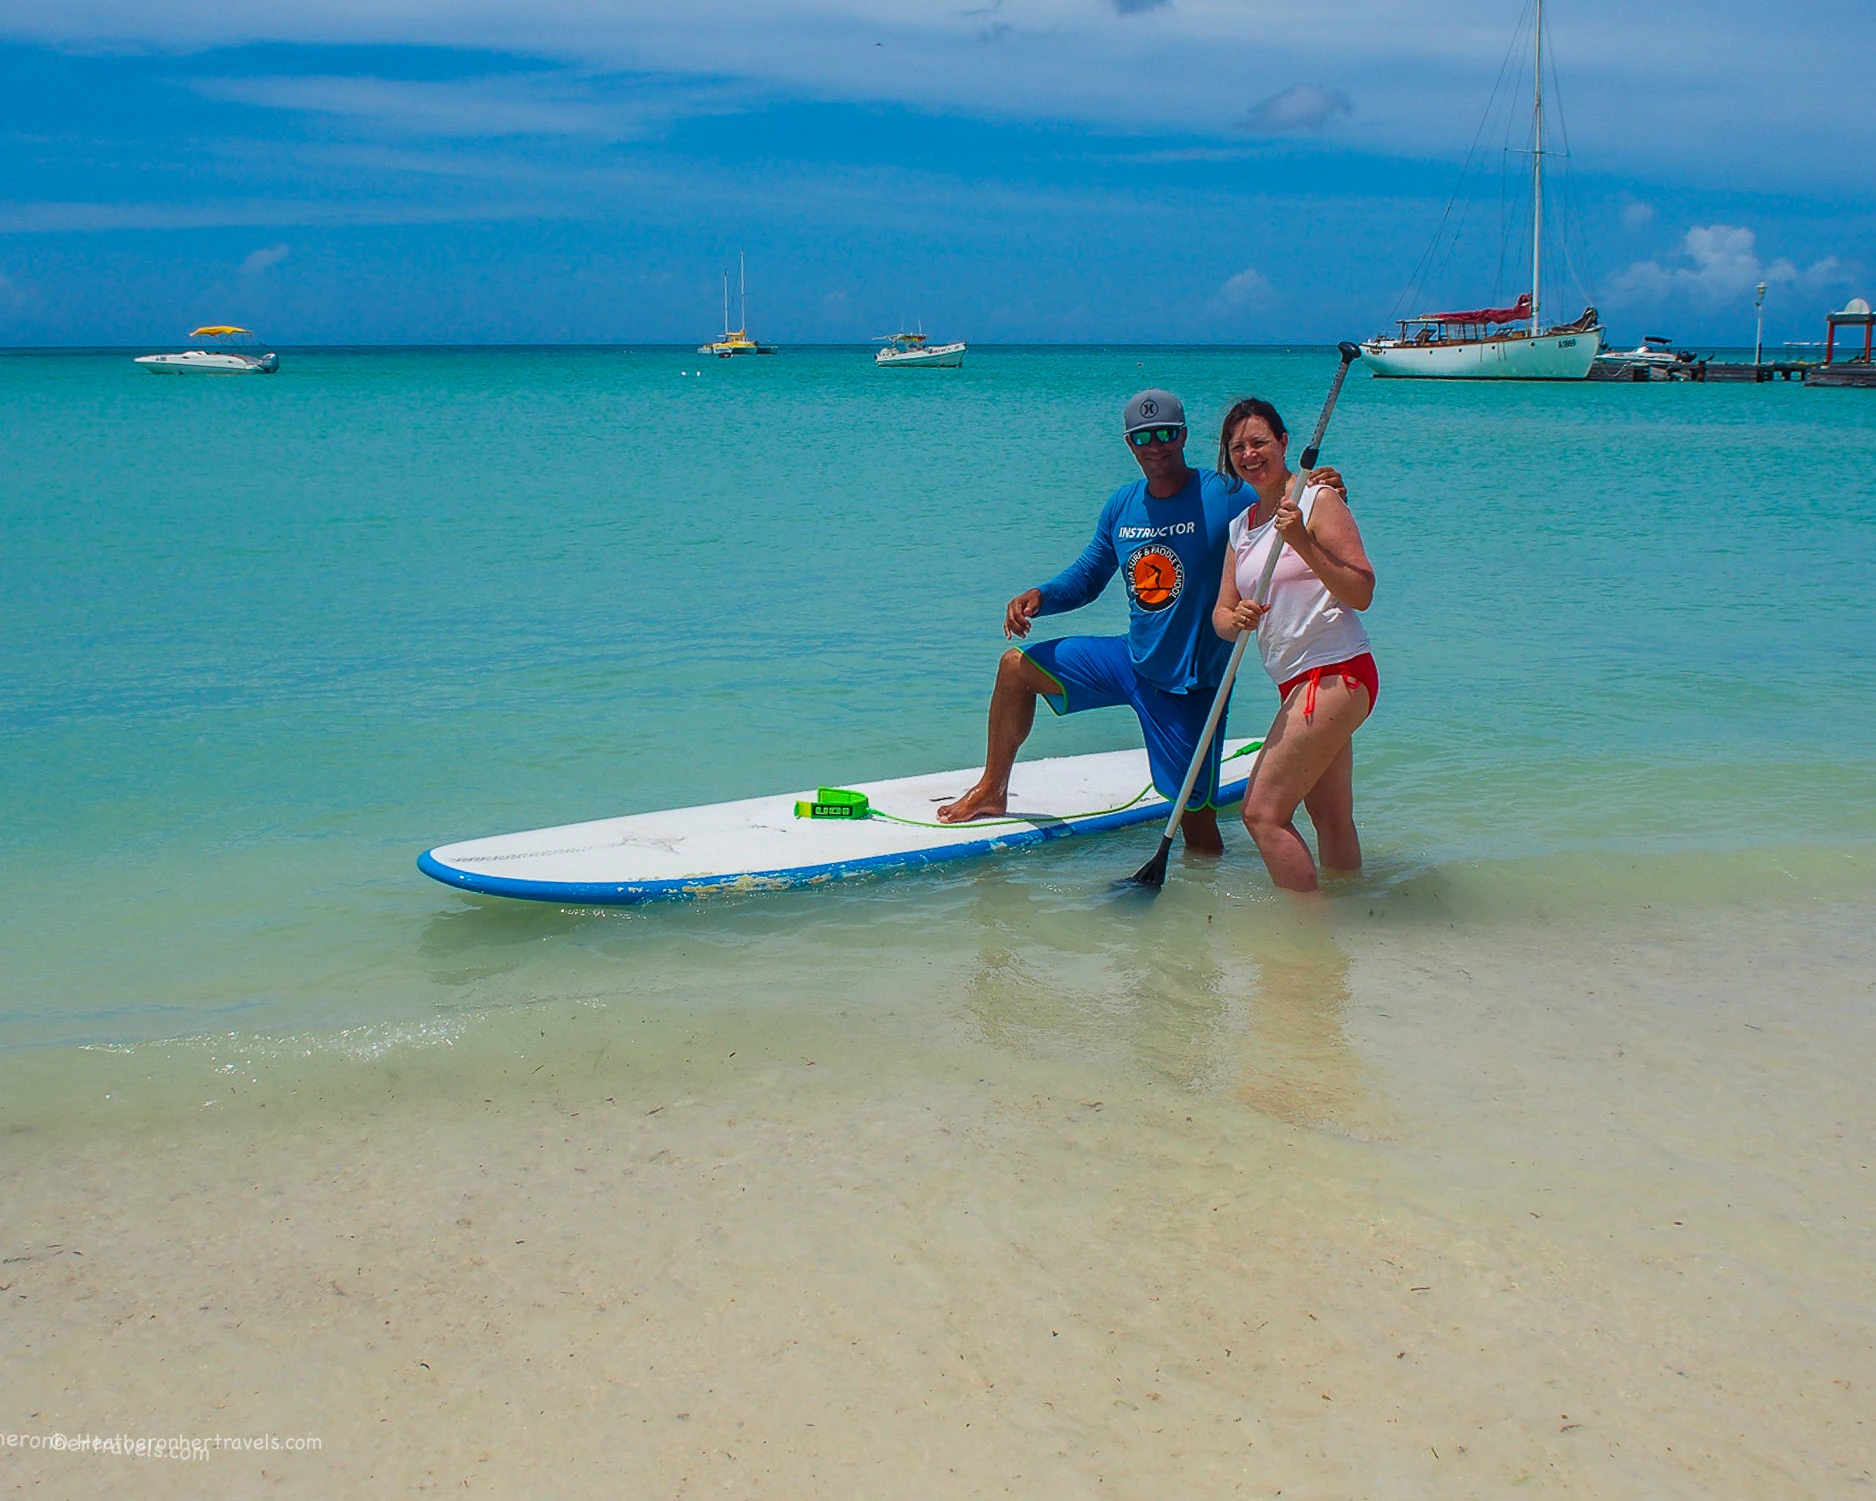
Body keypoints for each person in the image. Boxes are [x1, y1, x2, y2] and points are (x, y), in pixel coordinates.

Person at [938, 389, 1341, 855]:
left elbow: (1281, 490)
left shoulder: (1224, 494)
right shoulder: (1121, 506)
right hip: (1129, 661)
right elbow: (1089, 576)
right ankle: (992, 788)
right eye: (1143, 436)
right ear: (1130, 444)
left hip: (1189, 687)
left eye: (1166, 434)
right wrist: (1040, 597)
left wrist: (1320, 485)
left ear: (1183, 436)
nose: (1156, 445)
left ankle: (1202, 909)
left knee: (1197, 828)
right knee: (1015, 669)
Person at [1211, 396, 1378, 892]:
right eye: (1237, 446)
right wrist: (1235, 617)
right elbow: (1221, 616)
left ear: (1284, 444)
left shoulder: (1318, 501)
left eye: (1260, 442)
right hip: (1295, 682)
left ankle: (1307, 944)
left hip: (1336, 672)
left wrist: (1303, 541)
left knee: (1261, 814)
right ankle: (1352, 917)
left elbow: (1362, 591)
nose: (1249, 454)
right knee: (1329, 816)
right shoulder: (1240, 528)